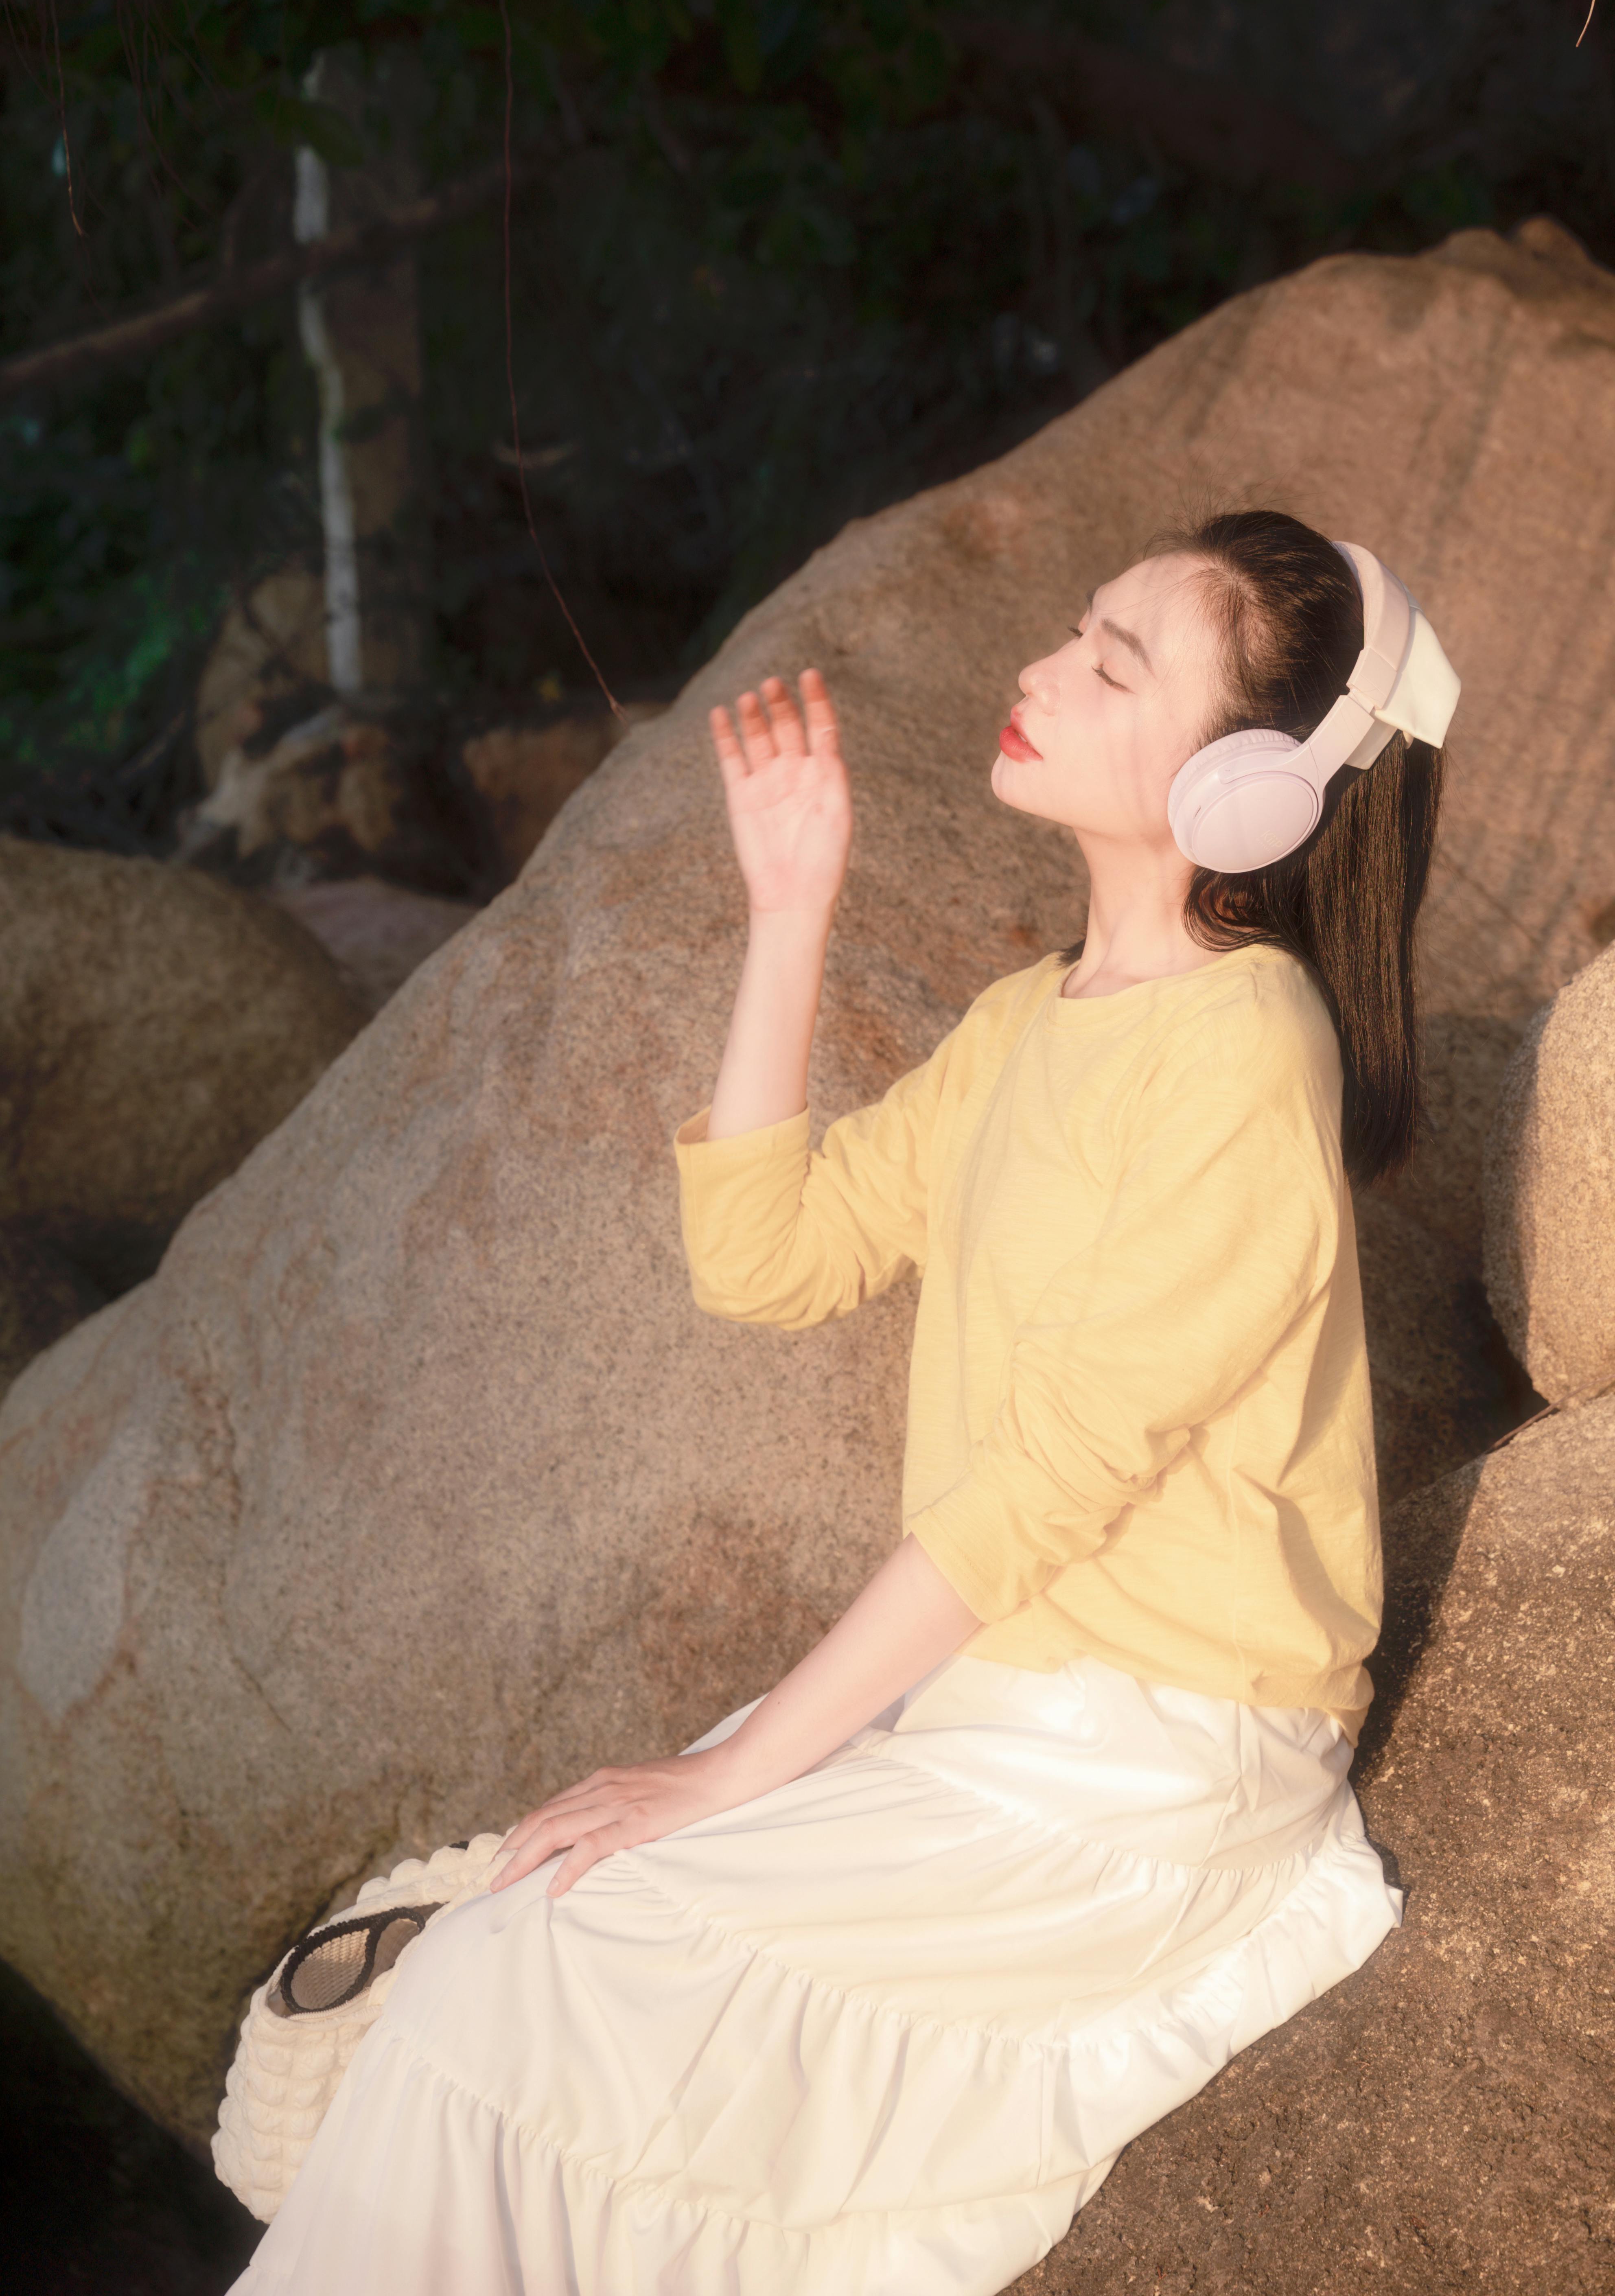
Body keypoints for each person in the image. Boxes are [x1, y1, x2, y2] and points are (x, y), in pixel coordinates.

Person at [230, 508, 1445, 2296]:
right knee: (518, 1948)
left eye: (1114, 662)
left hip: (1146, 1772)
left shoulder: (1250, 1048)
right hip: (992, 1713)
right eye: (1072, 630)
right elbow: (771, 1258)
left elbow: (1044, 1484)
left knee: (524, 1978)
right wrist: (787, 912)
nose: (1042, 668)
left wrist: (719, 1773)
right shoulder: (1033, 1021)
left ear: (1251, 791)